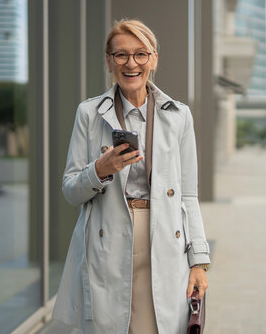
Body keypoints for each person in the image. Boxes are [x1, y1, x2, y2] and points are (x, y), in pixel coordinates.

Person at [52, 19, 210, 334]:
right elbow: (70, 190)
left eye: (141, 54)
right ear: (109, 61)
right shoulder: (88, 112)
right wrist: (100, 170)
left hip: (165, 239)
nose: (131, 63)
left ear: (153, 59)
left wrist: (199, 260)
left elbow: (188, 195)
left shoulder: (179, 116)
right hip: (107, 244)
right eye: (121, 55)